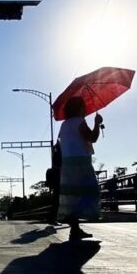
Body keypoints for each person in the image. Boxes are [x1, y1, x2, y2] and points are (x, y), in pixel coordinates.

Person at [56, 97, 103, 242]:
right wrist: (96, 124)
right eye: (83, 106)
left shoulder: (64, 125)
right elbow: (92, 138)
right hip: (81, 162)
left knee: (72, 195)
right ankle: (79, 225)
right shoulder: (79, 122)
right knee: (89, 191)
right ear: (78, 108)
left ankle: (75, 229)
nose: (85, 109)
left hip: (67, 164)